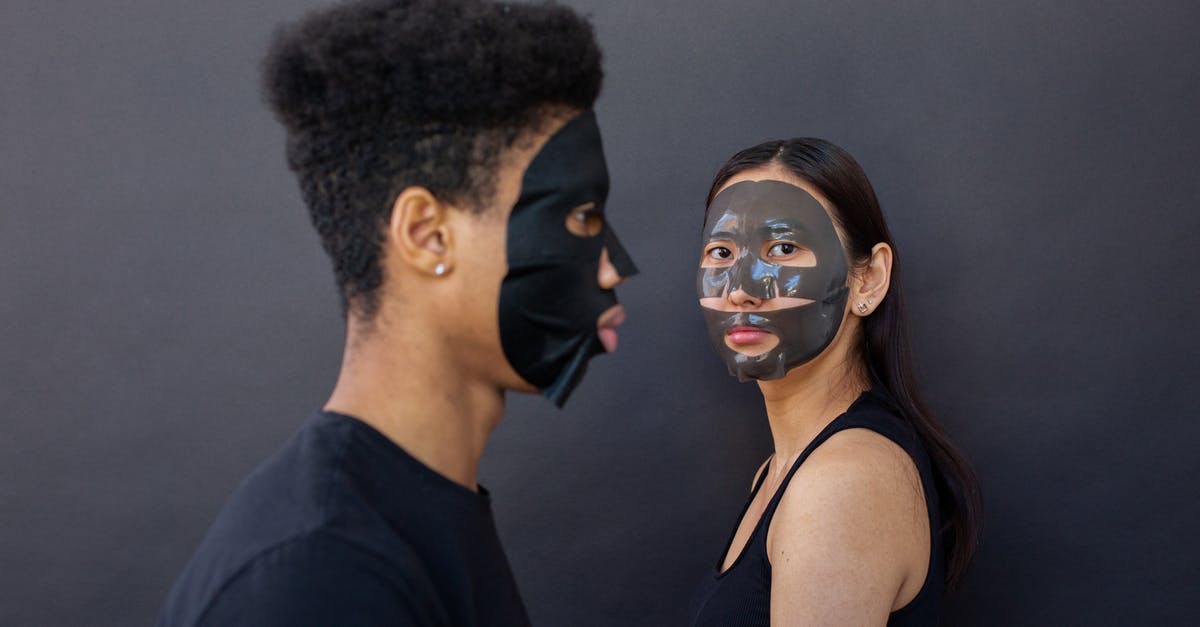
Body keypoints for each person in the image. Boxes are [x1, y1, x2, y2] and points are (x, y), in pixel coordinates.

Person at [156, 1, 636, 625]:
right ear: (427, 236)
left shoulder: (415, 518)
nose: (612, 266)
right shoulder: (315, 580)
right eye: (580, 218)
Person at [689, 138, 981, 626]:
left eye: (783, 248)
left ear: (868, 280)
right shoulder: (778, 472)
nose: (740, 287)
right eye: (721, 251)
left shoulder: (840, 482)